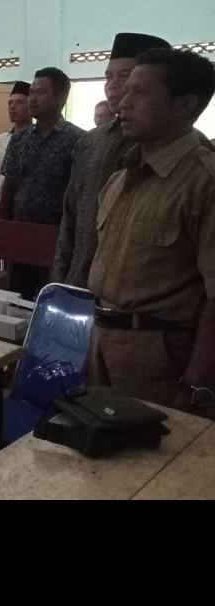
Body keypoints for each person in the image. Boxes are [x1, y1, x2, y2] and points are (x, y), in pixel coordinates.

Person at [87, 48, 215, 416]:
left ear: (184, 104)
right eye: (125, 90)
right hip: (100, 343)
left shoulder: (203, 182)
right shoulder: (119, 179)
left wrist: (196, 387)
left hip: (162, 358)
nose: (123, 102)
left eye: (139, 92)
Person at [53, 32, 172, 288]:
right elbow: (70, 217)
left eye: (125, 76)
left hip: (137, 297)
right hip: (80, 284)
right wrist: (61, 280)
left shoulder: (180, 152)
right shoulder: (90, 142)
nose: (112, 86)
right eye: (108, 77)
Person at [0, 67, 85, 298]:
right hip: (21, 235)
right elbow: (9, 188)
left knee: (53, 299)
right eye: (31, 92)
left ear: (61, 97)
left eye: (40, 93)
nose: (32, 99)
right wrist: (5, 231)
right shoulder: (19, 139)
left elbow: (79, 196)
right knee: (16, 301)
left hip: (58, 241)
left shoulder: (78, 140)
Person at [0, 82, 31, 202]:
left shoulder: (36, 140)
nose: (12, 107)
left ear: (30, 106)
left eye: (19, 102)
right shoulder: (0, 140)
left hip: (21, 205)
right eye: (10, 103)